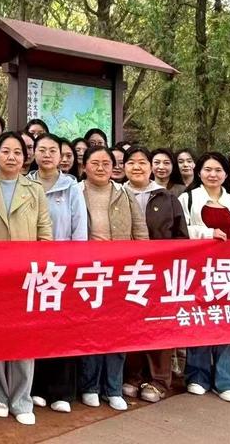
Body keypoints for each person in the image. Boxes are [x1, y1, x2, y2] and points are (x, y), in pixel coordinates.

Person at [0, 131, 53, 425]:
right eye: (6, 151)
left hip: (27, 274)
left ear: (25, 158)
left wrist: (40, 266)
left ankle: (21, 398)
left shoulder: (35, 190)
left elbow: (44, 231)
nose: (11, 157)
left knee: (25, 337)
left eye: (17, 152)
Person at [178, 152, 230, 403]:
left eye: (218, 170)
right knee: (200, 319)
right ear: (199, 172)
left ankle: (225, 380)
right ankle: (197, 376)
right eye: (208, 169)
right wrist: (207, 232)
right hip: (199, 268)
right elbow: (180, 229)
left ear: (225, 173)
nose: (213, 174)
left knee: (225, 321)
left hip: (229, 269)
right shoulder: (188, 198)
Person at [76, 145, 149, 411]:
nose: (101, 168)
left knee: (118, 330)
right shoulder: (76, 191)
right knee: (90, 330)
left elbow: (140, 230)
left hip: (121, 271)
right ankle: (90, 387)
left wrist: (141, 262)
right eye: (95, 163)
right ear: (85, 166)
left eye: (106, 163)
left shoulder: (124, 192)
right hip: (88, 272)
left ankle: (113, 387)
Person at [121, 146, 188, 404]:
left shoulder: (167, 198)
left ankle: (159, 379)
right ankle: (134, 375)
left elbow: (181, 237)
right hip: (127, 273)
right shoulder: (118, 193)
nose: (137, 167)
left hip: (161, 272)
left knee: (159, 323)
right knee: (131, 323)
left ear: (151, 167)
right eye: (131, 162)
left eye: (142, 162)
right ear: (124, 167)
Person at [27, 135, 86, 414]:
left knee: (63, 328)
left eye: (53, 150)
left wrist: (75, 264)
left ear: (61, 156)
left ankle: (61, 391)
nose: (47, 154)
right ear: (34, 153)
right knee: (36, 328)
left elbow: (79, 229)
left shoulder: (71, 187)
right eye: (42, 149)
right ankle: (37, 387)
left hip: (64, 268)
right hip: (33, 269)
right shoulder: (27, 184)